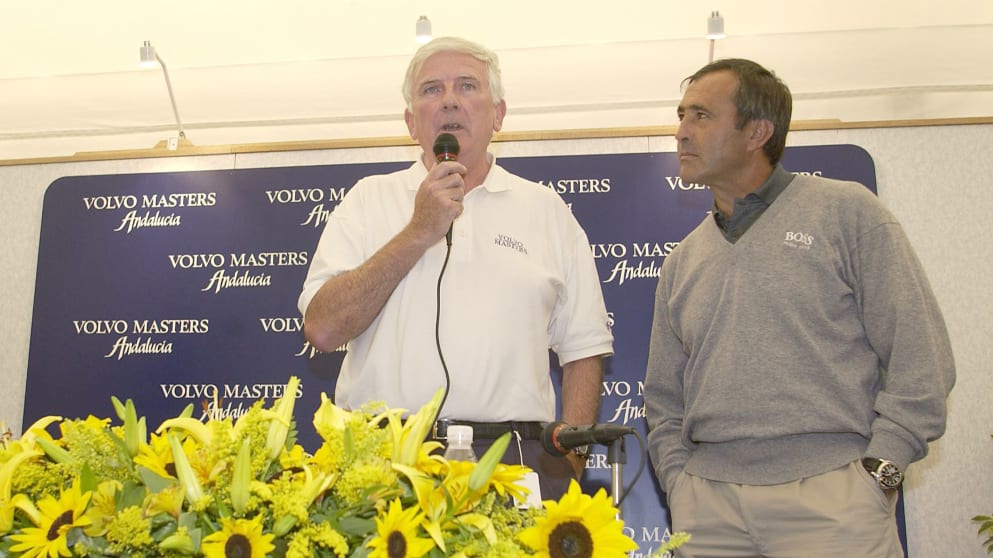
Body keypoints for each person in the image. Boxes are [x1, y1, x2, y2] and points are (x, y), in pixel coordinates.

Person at [643, 58, 955, 557]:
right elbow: (662, 399)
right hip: (708, 512)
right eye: (681, 115)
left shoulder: (848, 214)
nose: (680, 132)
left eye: (701, 116)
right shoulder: (683, 260)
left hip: (835, 502)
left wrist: (882, 472)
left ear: (757, 132)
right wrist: (681, 484)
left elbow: (923, 359)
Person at [298, 36, 613, 500]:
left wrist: (569, 457)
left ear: (499, 114)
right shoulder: (367, 201)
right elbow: (323, 329)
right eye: (431, 90)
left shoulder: (546, 210)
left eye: (467, 86)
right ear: (410, 123)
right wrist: (418, 231)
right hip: (380, 457)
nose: (448, 100)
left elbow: (585, 346)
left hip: (515, 459)